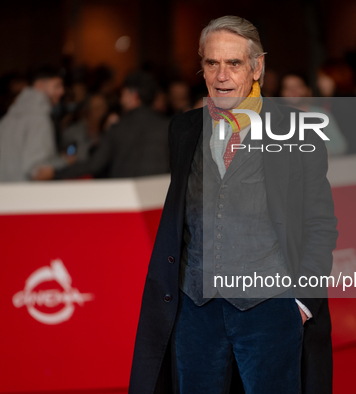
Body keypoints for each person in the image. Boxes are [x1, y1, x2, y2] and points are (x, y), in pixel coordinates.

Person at [129, 16, 338, 394]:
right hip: (195, 308)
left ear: (257, 67)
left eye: (234, 63)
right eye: (212, 63)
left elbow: (320, 224)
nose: (221, 75)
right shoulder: (184, 129)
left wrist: (302, 304)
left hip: (270, 308)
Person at [33, 71, 169, 180]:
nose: (121, 99)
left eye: (122, 94)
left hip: (126, 202)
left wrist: (55, 173)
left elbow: (94, 164)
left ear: (132, 96)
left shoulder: (119, 128)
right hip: (159, 201)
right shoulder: (167, 126)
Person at [0, 66, 64, 182]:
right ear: (40, 85)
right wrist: (64, 163)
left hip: (6, 194)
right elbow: (36, 168)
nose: (62, 91)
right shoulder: (39, 118)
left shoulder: (12, 116)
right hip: (28, 196)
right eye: (57, 86)